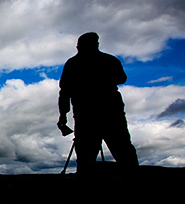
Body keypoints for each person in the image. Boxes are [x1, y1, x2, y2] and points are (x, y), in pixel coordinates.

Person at [58, 32, 138, 174]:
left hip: (90, 115)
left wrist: (63, 116)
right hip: (108, 113)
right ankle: (132, 180)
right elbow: (122, 78)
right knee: (120, 149)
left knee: (89, 153)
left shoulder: (73, 64)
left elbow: (65, 91)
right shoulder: (110, 60)